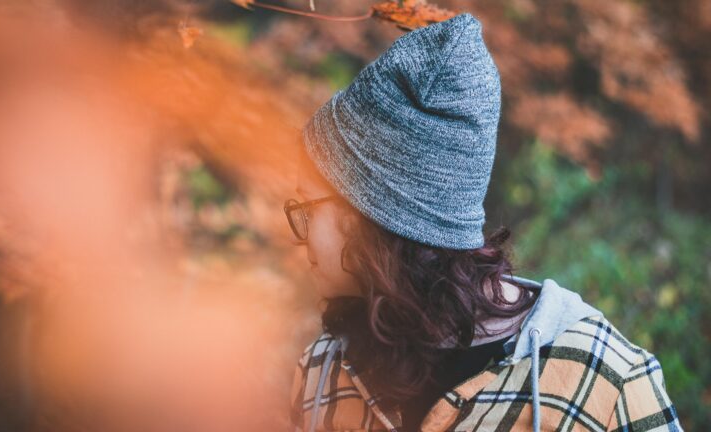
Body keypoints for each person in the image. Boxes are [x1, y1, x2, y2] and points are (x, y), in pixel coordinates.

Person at [285, 13, 682, 432]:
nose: (300, 237)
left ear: (365, 216)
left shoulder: (605, 381)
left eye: (307, 210)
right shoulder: (323, 371)